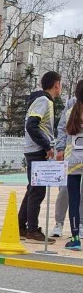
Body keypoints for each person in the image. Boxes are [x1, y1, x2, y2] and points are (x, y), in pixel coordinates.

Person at [17, 71, 62, 244]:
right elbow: (31, 125)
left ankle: (21, 226)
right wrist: (46, 145)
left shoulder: (44, 101)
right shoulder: (44, 100)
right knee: (37, 191)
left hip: (35, 149)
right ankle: (32, 230)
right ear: (56, 84)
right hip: (37, 151)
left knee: (32, 190)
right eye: (60, 84)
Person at [52, 95, 83, 237]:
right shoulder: (72, 103)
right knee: (64, 191)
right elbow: (62, 127)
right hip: (71, 156)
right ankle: (59, 223)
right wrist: (60, 148)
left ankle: (80, 224)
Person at [62, 80, 83, 250]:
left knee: (74, 200)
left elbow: (61, 132)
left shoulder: (70, 111)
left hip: (73, 161)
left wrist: (59, 150)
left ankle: (75, 238)